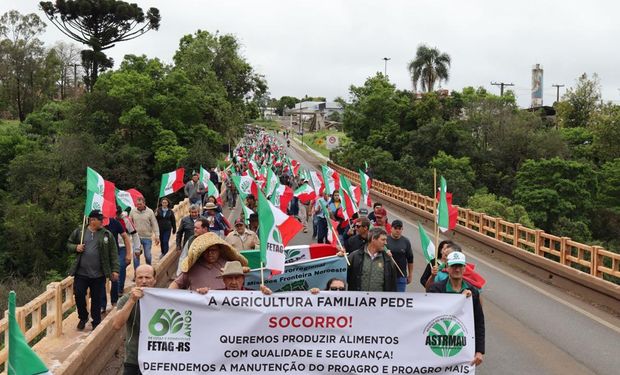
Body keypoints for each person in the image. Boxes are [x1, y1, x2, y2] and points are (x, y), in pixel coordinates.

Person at [428, 252, 485, 367]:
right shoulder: (435, 289)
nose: (457, 269)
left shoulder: (473, 292)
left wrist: (479, 351)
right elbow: (431, 316)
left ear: (464, 268)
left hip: (462, 347)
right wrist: (460, 299)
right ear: (447, 267)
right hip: (438, 343)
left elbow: (479, 322)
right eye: (453, 266)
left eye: (460, 266)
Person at [67, 210, 119, 330]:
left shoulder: (106, 234)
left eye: (101, 220)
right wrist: (76, 247)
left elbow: (113, 253)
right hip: (81, 272)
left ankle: (96, 321)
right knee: (79, 295)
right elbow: (68, 244)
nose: (101, 222)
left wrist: (115, 270)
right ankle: (83, 317)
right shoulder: (80, 231)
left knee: (97, 298)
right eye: (98, 220)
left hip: (99, 274)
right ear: (91, 220)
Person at [112, 265, 156, 375]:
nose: (144, 281)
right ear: (135, 279)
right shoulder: (126, 299)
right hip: (133, 358)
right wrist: (132, 300)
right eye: (140, 277)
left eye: (148, 277)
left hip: (157, 359)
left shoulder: (163, 299)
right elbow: (116, 325)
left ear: (155, 280)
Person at [169, 233, 248, 292]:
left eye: (213, 250)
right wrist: (167, 296)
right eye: (207, 250)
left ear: (219, 250)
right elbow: (176, 284)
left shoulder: (228, 264)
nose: (210, 253)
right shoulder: (193, 268)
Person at [101, 214, 131, 313]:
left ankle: (114, 301)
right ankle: (102, 305)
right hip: (100, 257)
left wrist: (128, 254)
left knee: (115, 278)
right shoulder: (96, 223)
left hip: (114, 255)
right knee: (101, 281)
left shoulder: (114, 222)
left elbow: (125, 237)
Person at [129, 197, 159, 267]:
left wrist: (157, 236)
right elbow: (129, 222)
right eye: (137, 204)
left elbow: (154, 224)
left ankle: (149, 269)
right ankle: (137, 273)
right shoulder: (133, 211)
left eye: (140, 204)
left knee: (147, 256)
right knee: (136, 257)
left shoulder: (150, 212)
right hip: (136, 237)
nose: (138, 205)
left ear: (144, 203)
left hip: (147, 237)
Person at [386, 220, 414, 292]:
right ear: (391, 228)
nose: (397, 230)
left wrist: (410, 275)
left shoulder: (406, 241)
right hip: (387, 275)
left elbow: (410, 259)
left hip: (401, 276)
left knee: (399, 298)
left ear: (402, 229)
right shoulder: (385, 240)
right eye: (395, 228)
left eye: (399, 229)